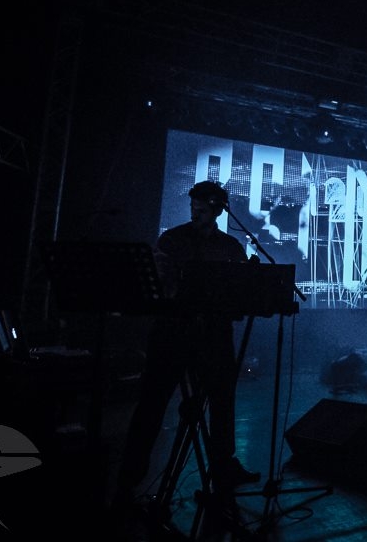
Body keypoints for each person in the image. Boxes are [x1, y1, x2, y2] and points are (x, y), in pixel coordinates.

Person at [112, 180, 260, 515]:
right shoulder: (172, 240)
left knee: (221, 401)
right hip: (172, 334)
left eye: (203, 207)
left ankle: (223, 467)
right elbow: (158, 285)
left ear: (218, 210)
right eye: (194, 206)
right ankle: (128, 480)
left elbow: (240, 293)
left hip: (213, 335)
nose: (196, 211)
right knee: (152, 404)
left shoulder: (230, 246)